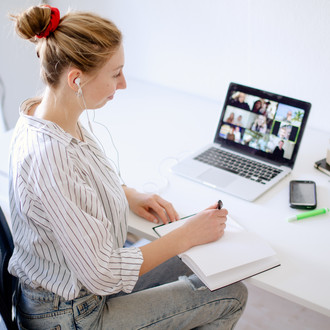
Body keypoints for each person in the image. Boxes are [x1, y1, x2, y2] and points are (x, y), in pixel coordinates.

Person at [8, 5, 247, 329]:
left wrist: (127, 194)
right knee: (231, 294)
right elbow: (103, 272)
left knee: (201, 260)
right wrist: (185, 235)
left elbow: (80, 180)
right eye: (115, 73)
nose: (122, 84)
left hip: (79, 293)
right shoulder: (50, 156)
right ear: (76, 79)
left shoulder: (49, 115)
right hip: (72, 315)